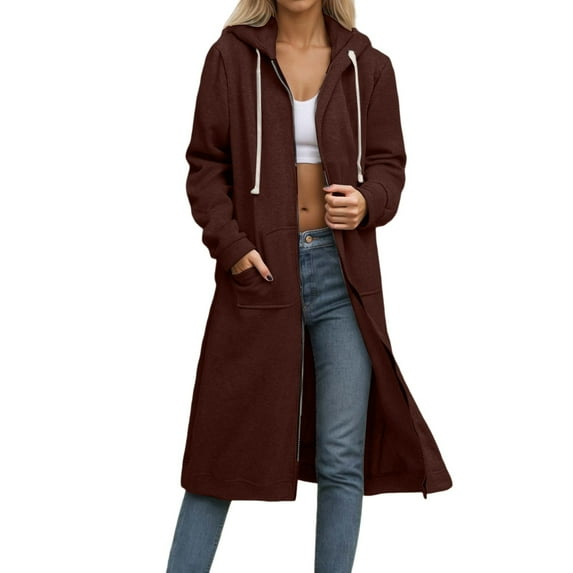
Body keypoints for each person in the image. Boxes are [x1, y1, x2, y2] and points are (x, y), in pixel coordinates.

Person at [167, 0, 452, 571]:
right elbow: (206, 166)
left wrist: (368, 201)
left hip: (343, 275)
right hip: (259, 272)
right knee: (220, 452)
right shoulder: (230, 57)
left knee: (342, 455)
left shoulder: (368, 64)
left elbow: (389, 165)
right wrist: (233, 248)